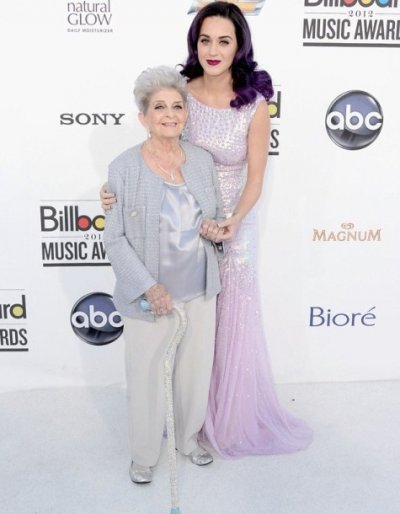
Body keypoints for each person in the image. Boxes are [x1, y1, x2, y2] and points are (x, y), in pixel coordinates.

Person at [102, 2, 312, 458]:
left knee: (228, 322)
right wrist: (115, 192)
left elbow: (256, 178)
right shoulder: (182, 93)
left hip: (233, 227)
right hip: (177, 228)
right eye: (205, 39)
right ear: (194, 44)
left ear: (240, 46)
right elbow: (154, 146)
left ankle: (218, 419)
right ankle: (172, 418)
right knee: (181, 322)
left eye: (224, 40)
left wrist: (233, 223)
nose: (213, 49)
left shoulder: (254, 104)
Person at [103, 65, 229, 483]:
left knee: (194, 370)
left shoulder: (202, 160)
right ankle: (143, 452)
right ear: (143, 116)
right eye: (160, 107)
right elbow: (115, 239)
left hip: (199, 287)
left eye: (177, 106)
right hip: (151, 295)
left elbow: (213, 218)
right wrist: (148, 286)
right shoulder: (122, 168)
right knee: (144, 373)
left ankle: (188, 440)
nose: (170, 114)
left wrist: (214, 228)